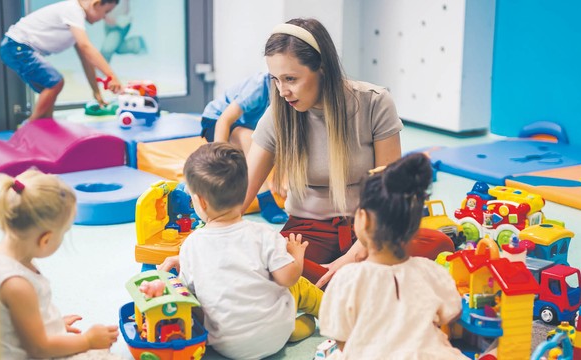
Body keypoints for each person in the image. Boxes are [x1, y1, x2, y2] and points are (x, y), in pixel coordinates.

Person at [243, 18, 454, 287]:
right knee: (267, 259)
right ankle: (357, 282)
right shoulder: (278, 115)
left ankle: (337, 282)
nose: (282, 91)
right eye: (275, 80)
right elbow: (241, 195)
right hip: (306, 233)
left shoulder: (375, 102)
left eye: (291, 79)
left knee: (441, 243)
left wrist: (355, 256)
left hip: (371, 229)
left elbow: (390, 194)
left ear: (321, 68)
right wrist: (202, 243)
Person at [157, 143, 322, 359]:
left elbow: (191, 296)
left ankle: (292, 328)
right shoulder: (264, 234)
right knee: (297, 284)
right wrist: (296, 256)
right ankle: (329, 313)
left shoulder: (191, 244)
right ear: (245, 192)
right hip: (276, 335)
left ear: (201, 202)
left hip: (227, 345)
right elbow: (288, 278)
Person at [318, 153, 468, 359]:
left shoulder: (347, 279)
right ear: (415, 226)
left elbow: (341, 339)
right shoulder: (431, 271)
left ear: (364, 220)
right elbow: (451, 313)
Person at [0, 169, 121, 360]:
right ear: (45, 239)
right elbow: (39, 348)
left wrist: (52, 324)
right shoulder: (17, 285)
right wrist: (87, 341)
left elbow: (13, 322)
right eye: (64, 232)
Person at [0, 0, 123, 123]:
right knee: (55, 82)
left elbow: (86, 60)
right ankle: (29, 127)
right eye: (106, 11)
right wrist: (111, 76)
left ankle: (46, 124)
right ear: (96, 4)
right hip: (17, 47)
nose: (104, 17)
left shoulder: (76, 23)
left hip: (16, 48)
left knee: (49, 90)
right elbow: (86, 47)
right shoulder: (74, 10)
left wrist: (96, 92)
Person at [201, 71, 288, 224]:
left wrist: (279, 176)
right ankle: (265, 199)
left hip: (244, 126)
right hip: (215, 120)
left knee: (257, 137)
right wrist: (219, 159)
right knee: (250, 138)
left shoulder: (289, 96)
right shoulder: (258, 87)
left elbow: (281, 138)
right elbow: (224, 120)